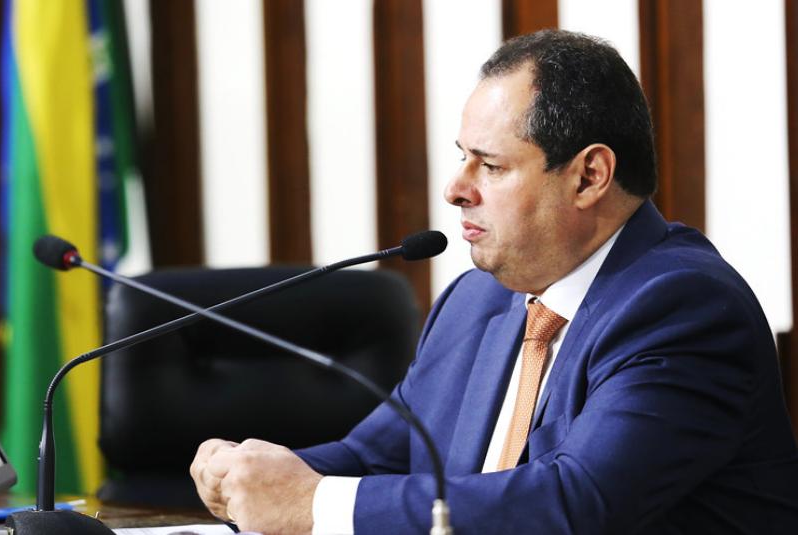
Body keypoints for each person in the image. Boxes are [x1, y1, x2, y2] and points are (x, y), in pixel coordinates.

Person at [189, 29, 798, 534]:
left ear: (589, 176)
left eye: (492, 165)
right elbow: (377, 457)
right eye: (463, 157)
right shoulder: (476, 300)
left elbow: (577, 503)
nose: (455, 189)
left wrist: (312, 503)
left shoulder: (683, 307)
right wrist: (253, 474)